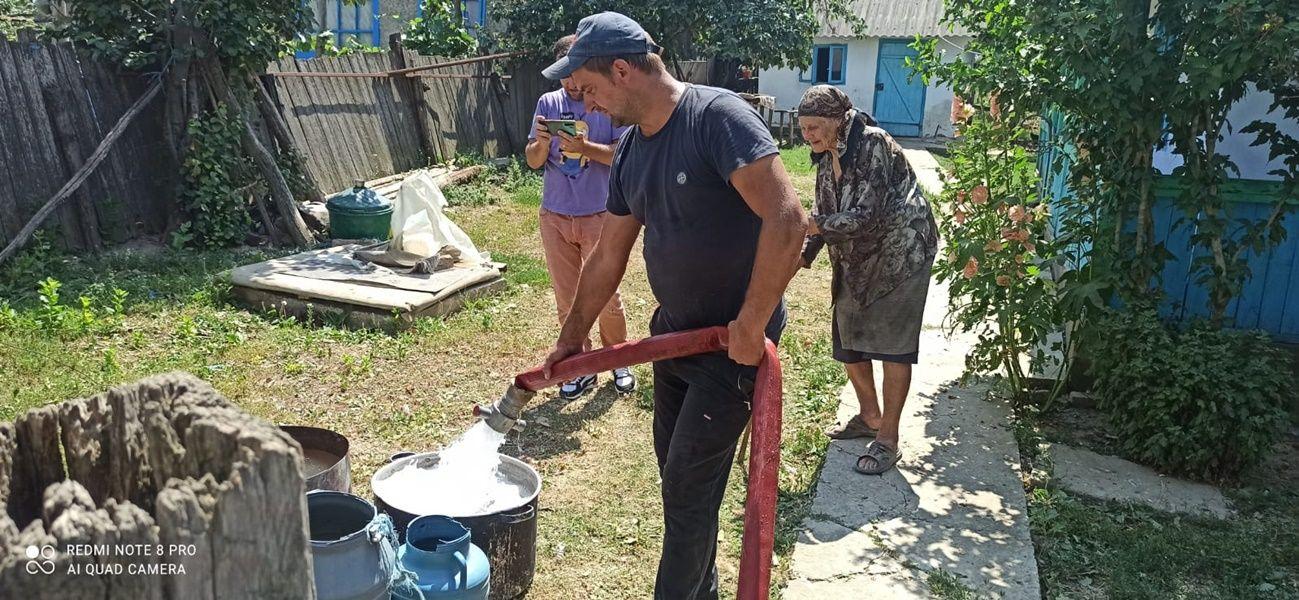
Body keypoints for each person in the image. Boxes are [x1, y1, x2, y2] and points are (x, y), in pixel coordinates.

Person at [538, 12, 806, 599]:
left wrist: (751, 323)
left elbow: (788, 221)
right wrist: (572, 337)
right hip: (674, 339)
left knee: (687, 489)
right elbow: (608, 256)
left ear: (622, 69)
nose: (586, 105)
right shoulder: (631, 151)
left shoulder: (716, 119)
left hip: (731, 346)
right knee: (682, 486)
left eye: (589, 89)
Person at [798, 85, 939, 475]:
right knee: (847, 339)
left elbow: (866, 216)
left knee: (893, 347)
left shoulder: (872, 143)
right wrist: (804, 253)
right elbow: (824, 211)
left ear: (838, 120)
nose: (807, 136)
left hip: (903, 252)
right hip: (859, 257)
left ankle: (888, 438)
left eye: (814, 127)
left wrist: (812, 226)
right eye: (803, 128)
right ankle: (869, 416)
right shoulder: (826, 159)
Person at [527, 34, 636, 399]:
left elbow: (622, 155)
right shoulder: (549, 103)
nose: (571, 85)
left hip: (598, 213)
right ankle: (580, 366)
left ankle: (618, 358)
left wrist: (585, 147)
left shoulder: (602, 101)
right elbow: (533, 160)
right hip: (555, 213)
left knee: (606, 295)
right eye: (565, 78)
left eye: (575, 76)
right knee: (567, 297)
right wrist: (542, 142)